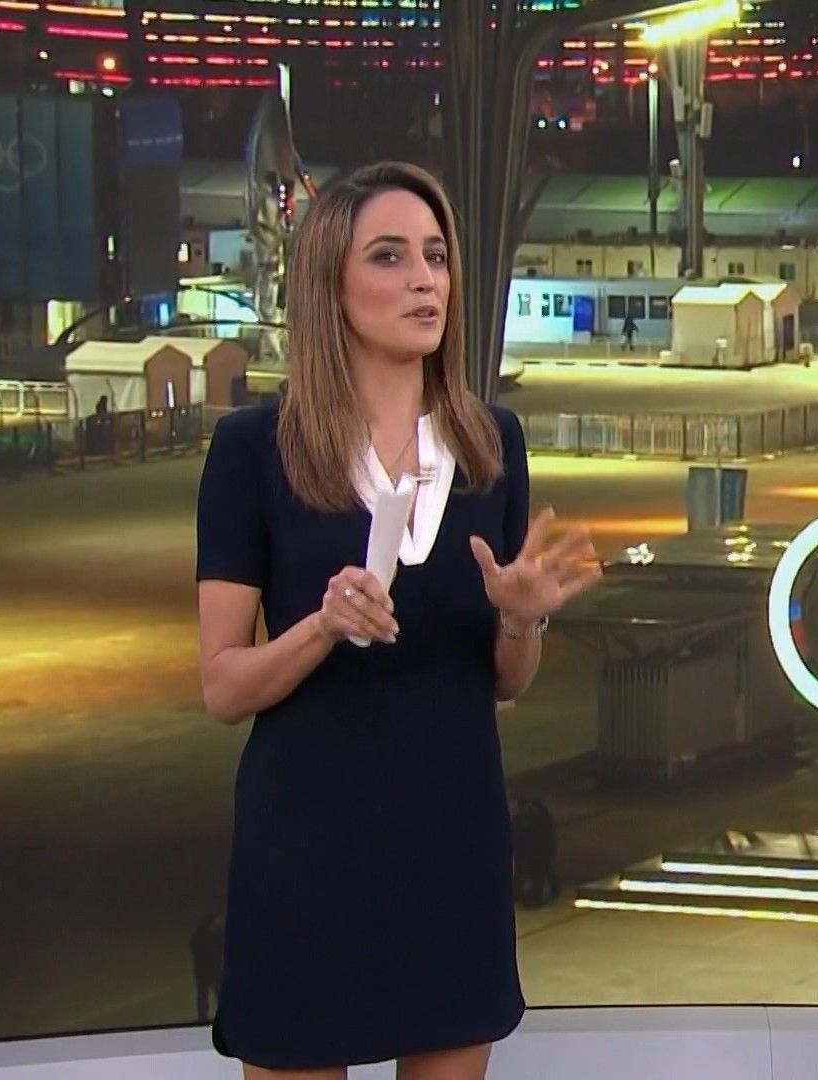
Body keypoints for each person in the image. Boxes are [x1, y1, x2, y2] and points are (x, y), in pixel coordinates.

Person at [195, 161, 602, 1080]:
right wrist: (320, 627)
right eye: (390, 257)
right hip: (305, 854)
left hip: (451, 845)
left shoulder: (490, 445)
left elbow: (504, 684)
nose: (426, 281)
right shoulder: (253, 453)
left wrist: (522, 623)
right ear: (329, 285)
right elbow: (222, 686)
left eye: (436, 256)